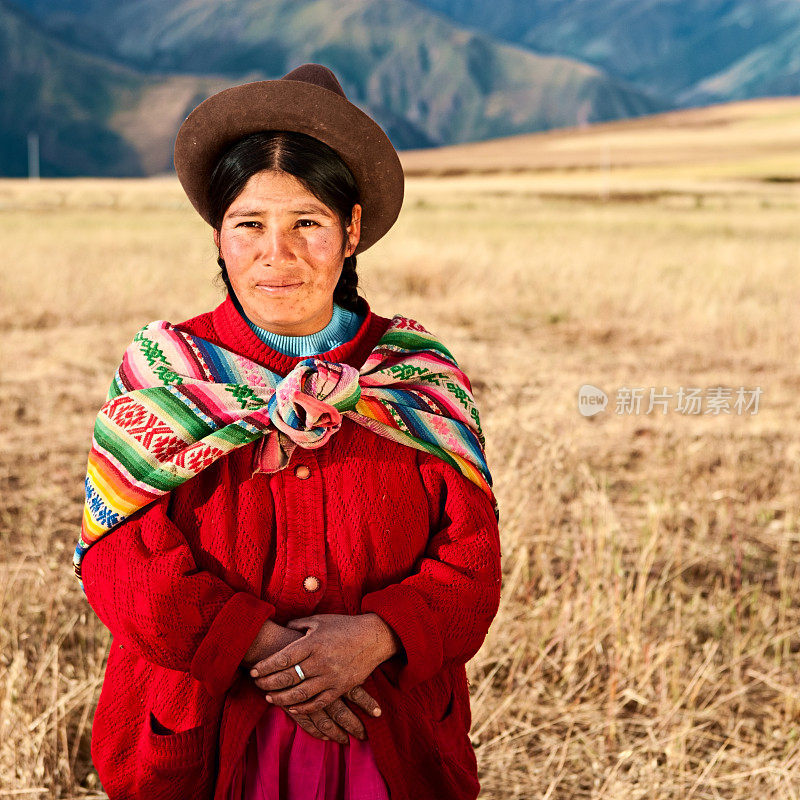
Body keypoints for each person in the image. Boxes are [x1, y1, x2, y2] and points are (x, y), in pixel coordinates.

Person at [75, 63, 502, 800]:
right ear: (219, 235)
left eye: (307, 222)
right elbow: (122, 559)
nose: (278, 253)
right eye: (250, 224)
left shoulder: (414, 376)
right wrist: (269, 651)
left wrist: (375, 638)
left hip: (384, 735)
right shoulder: (167, 374)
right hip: (207, 738)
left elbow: (472, 562)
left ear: (352, 230)